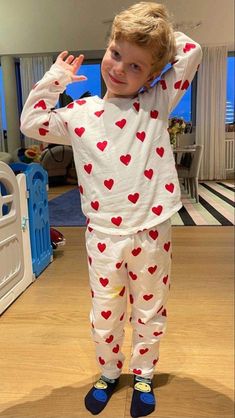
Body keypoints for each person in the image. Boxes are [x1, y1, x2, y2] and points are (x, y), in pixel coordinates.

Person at [20, 2, 202, 416]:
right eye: (116, 53)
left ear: (153, 74)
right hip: (102, 235)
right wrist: (55, 79)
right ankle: (107, 372)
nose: (120, 68)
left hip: (152, 229)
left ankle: (143, 374)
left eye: (136, 66)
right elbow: (31, 121)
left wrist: (155, 31)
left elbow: (191, 51)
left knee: (149, 307)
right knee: (106, 309)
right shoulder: (80, 115)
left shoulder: (157, 100)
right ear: (108, 47)